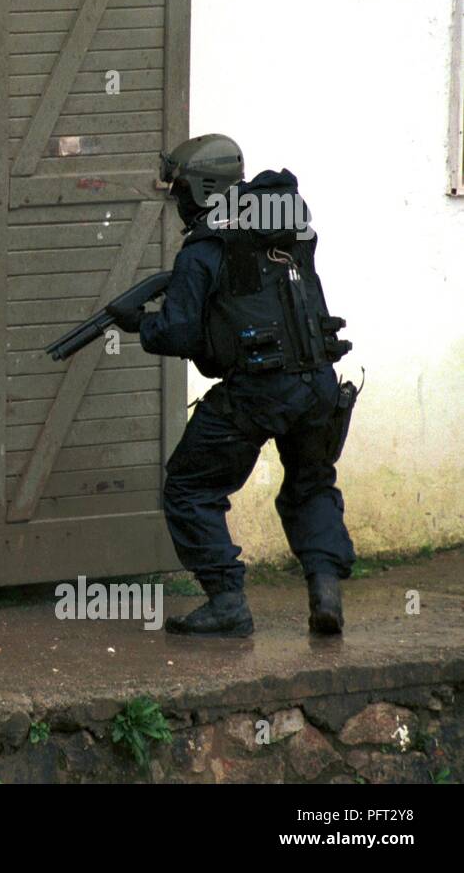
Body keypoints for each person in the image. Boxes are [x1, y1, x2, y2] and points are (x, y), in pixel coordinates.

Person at [114, 134, 356, 637]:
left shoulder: (203, 249)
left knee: (190, 488)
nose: (178, 202)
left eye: (181, 191)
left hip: (257, 393)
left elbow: (179, 332)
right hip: (318, 385)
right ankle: (325, 594)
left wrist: (140, 323)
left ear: (202, 189)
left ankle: (227, 602)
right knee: (311, 485)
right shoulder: (291, 229)